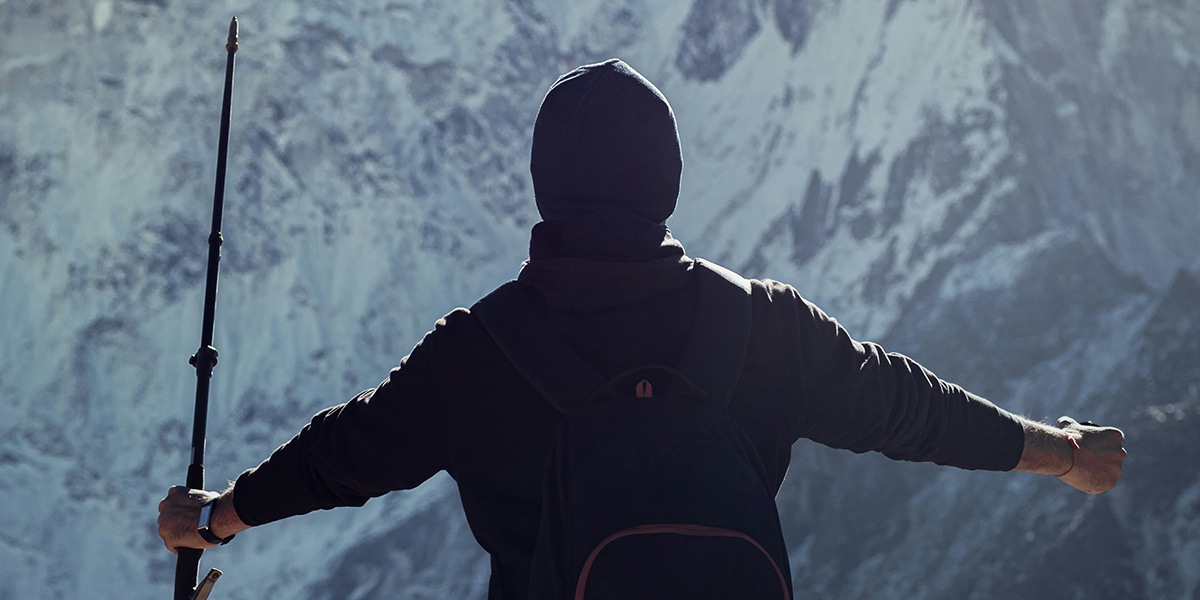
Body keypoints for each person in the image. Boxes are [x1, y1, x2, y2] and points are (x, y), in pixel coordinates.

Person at [158, 58, 1126, 598]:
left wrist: (215, 519)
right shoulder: (767, 328)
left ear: (543, 189)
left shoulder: (478, 355)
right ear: (667, 183)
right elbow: (909, 410)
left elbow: (344, 457)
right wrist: (1063, 451)